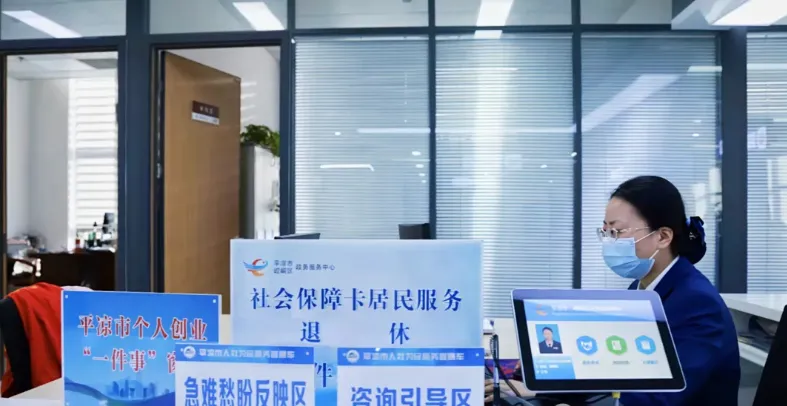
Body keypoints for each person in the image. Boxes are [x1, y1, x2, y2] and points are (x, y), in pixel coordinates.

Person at [485, 176, 740, 406]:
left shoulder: (697, 303)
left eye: (617, 232)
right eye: (606, 232)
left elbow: (661, 396)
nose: (609, 242)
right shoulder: (644, 285)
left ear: (663, 237)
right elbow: (611, 368)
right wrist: (540, 385)